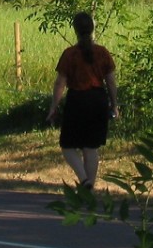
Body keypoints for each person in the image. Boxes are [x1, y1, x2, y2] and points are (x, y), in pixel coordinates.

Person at [46, 11, 118, 189]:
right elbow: (111, 81)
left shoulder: (70, 54)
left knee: (68, 145)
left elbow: (60, 83)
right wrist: (114, 105)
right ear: (92, 28)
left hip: (77, 100)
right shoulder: (102, 53)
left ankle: (84, 180)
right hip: (98, 100)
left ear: (75, 30)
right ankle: (89, 189)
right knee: (91, 147)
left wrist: (53, 106)